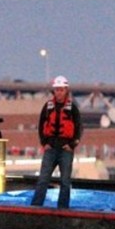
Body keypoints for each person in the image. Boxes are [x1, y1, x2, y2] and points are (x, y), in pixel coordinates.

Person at [31, 75, 83, 209]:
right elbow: (41, 125)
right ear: (54, 91)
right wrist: (44, 143)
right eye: (57, 90)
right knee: (43, 179)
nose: (59, 92)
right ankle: (35, 208)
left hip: (65, 149)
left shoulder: (72, 108)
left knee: (65, 181)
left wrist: (72, 145)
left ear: (66, 90)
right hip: (51, 148)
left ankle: (63, 209)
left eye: (61, 90)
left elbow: (79, 128)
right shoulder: (48, 107)